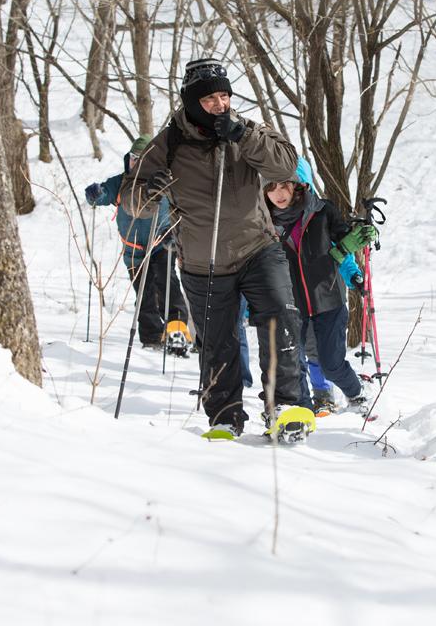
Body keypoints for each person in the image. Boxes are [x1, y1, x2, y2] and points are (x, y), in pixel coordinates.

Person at [120, 57, 302, 438]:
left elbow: (286, 165)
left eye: (224, 96)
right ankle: (225, 416)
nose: (220, 105)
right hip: (203, 261)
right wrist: (149, 194)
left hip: (257, 247)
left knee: (278, 320)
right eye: (209, 99)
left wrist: (242, 136)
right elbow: (132, 197)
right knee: (217, 343)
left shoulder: (247, 129)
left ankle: (285, 406)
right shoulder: (169, 143)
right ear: (191, 102)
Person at [264, 158, 378, 416]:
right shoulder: (266, 223)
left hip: (329, 300)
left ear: (301, 186)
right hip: (292, 305)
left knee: (331, 364)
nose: (279, 194)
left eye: (286, 186)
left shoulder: (323, 212)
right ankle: (306, 407)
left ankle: (356, 393)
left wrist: (353, 275)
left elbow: (343, 245)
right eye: (271, 187)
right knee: (294, 362)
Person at [84, 135, 191, 355]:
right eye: (134, 158)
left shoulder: (162, 181)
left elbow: (183, 205)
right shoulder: (120, 182)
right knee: (143, 293)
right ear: (128, 159)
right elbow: (102, 196)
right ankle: (151, 336)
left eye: (142, 159)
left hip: (162, 243)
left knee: (167, 285)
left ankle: (177, 331)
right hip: (133, 250)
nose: (137, 163)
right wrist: (94, 194)